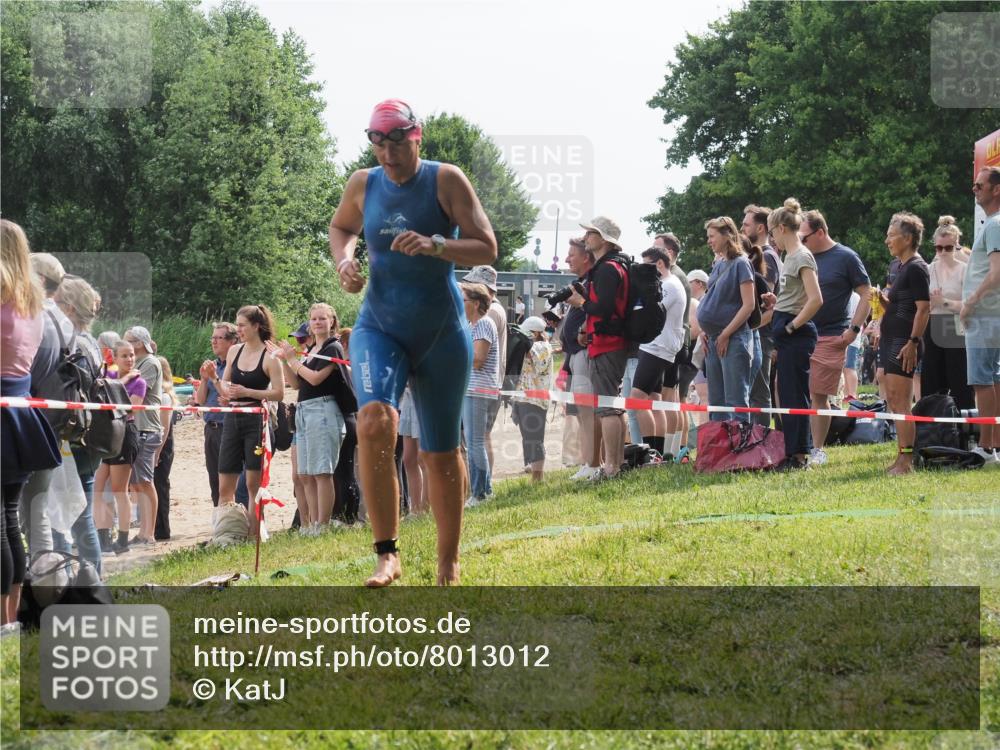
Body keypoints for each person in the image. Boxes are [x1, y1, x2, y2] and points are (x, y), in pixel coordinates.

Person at [330, 99, 497, 586]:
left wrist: (437, 244)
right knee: (375, 421)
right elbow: (341, 227)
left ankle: (448, 561)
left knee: (440, 453)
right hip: (379, 325)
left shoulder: (445, 179)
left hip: (441, 332)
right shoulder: (364, 183)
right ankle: (387, 553)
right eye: (377, 143)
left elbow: (486, 245)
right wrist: (344, 261)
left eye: (396, 142)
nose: (387, 153)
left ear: (415, 136)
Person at [1, 219, 61, 626]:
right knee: (9, 517)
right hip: (20, 412)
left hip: (5, 409)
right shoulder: (33, 304)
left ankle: (3, 620)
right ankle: (10, 617)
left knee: (3, 521)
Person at [271, 303, 353, 534]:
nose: (317, 323)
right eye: (314, 319)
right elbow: (297, 383)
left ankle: (322, 524)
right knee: (305, 473)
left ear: (332, 322)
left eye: (322, 319)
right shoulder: (311, 350)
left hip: (324, 410)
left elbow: (316, 379)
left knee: (322, 472)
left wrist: (293, 360)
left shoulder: (332, 347)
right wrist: (285, 361)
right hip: (304, 410)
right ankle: (311, 523)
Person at [798, 210, 872, 464]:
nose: (801, 242)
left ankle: (818, 449)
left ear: (820, 232)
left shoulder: (846, 257)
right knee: (796, 394)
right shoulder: (801, 256)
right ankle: (797, 446)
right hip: (800, 335)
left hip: (831, 336)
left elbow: (866, 293)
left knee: (819, 394)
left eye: (804, 237)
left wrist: (853, 331)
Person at [213, 305, 284, 541]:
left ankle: (255, 535)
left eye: (242, 325)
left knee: (254, 485)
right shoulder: (234, 351)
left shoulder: (270, 355)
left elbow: (279, 393)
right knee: (225, 484)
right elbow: (225, 385)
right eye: (237, 324)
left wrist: (248, 392)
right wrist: (214, 381)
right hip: (232, 418)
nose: (239, 329)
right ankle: (226, 535)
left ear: (256, 326)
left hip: (256, 420)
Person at [566, 216, 630, 480]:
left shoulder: (607, 269)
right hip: (608, 341)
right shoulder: (614, 266)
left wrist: (580, 302)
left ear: (603, 239)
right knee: (611, 405)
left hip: (608, 343)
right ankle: (616, 464)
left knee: (606, 407)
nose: (586, 237)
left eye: (591, 233)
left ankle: (611, 467)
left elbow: (603, 309)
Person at [51, 276, 106, 572]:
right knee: (80, 514)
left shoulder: (71, 344)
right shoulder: (90, 343)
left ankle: (70, 582)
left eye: (56, 302)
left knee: (66, 516)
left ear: (69, 308)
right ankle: (90, 581)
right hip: (85, 436)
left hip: (70, 440)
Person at [769, 199, 823, 469]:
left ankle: (800, 455)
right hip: (785, 328)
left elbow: (815, 299)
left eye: (772, 232)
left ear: (781, 229)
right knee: (786, 394)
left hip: (796, 332)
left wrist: (791, 326)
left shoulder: (802, 255)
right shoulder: (787, 257)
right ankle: (792, 451)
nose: (772, 238)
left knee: (795, 395)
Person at [881, 212, 931, 475]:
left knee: (901, 401)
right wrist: (881, 301)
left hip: (904, 343)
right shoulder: (900, 267)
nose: (887, 240)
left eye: (891, 235)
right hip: (892, 340)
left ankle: (907, 461)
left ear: (908, 238)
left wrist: (913, 342)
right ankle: (901, 456)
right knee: (893, 399)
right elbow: (902, 306)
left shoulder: (917, 267)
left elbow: (923, 309)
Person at [696, 217, 756, 422]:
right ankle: (721, 451)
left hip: (733, 338)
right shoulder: (720, 263)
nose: (709, 241)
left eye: (712, 236)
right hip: (714, 339)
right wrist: (706, 331)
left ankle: (741, 450)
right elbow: (714, 298)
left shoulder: (741, 263)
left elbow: (749, 305)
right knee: (717, 402)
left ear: (726, 235)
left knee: (736, 400)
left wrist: (726, 333)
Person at [628, 246, 686, 457]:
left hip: (658, 348)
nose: (643, 271)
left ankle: (650, 453)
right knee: (654, 399)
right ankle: (656, 453)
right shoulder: (665, 284)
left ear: (659, 264)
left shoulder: (669, 285)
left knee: (636, 399)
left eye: (647, 266)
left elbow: (650, 311)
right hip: (655, 346)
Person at [961, 166, 1000, 464]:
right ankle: (994, 445)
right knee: (992, 379)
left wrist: (971, 302)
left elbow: (997, 273)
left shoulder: (996, 224)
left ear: (995, 189)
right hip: (990, 315)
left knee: (981, 380)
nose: (974, 189)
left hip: (986, 315)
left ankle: (988, 447)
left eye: (979, 185)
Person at [93, 340, 144, 554]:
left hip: (125, 433)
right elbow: (101, 395)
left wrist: (121, 382)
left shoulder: (139, 382)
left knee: (119, 490)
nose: (129, 359)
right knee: (97, 486)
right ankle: (103, 537)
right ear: (114, 357)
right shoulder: (111, 376)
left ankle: (123, 540)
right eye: (124, 355)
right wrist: (122, 380)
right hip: (107, 434)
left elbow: (127, 408)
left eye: (132, 355)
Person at [194, 323, 249, 509]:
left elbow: (228, 395)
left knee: (232, 479)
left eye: (219, 338)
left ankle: (236, 522)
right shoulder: (213, 365)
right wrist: (203, 379)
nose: (214, 341)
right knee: (214, 481)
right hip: (211, 428)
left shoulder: (239, 365)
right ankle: (220, 523)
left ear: (233, 341)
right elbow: (200, 401)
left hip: (230, 428)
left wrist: (215, 379)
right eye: (213, 337)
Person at [561, 237, 601, 480]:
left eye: (571, 254)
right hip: (576, 355)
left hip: (585, 354)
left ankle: (593, 464)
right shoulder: (583, 282)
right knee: (584, 412)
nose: (567, 259)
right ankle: (589, 462)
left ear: (586, 257)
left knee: (589, 411)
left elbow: (596, 311)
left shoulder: (592, 283)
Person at [923, 216, 973, 410]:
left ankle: (965, 430)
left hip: (956, 326)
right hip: (932, 325)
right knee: (931, 379)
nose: (943, 252)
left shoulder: (965, 271)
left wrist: (943, 301)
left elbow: (970, 305)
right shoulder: (927, 270)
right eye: (939, 248)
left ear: (956, 245)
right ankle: (931, 428)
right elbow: (921, 304)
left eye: (948, 247)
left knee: (959, 380)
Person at [122, 325, 164, 545]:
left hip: (147, 429)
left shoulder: (149, 363)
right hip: (139, 429)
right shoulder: (138, 364)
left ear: (138, 343)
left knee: (145, 482)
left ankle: (148, 533)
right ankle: (144, 532)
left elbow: (136, 394)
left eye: (128, 340)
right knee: (138, 484)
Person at [742, 205, 783, 427]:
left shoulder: (768, 256)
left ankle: (762, 442)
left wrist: (749, 329)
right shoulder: (753, 256)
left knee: (759, 392)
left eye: (746, 224)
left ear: (760, 227)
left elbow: (766, 304)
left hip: (762, 336)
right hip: (753, 334)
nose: (742, 228)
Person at [462, 265, 507, 471]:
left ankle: (482, 486)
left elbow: (480, 356)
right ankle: (482, 484)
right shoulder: (492, 313)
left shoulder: (490, 315)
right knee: (479, 438)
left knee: (479, 439)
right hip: (486, 383)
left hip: (483, 385)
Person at [460, 282, 499, 505]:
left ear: (475, 303)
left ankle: (479, 493)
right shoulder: (471, 325)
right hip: (473, 389)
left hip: (478, 389)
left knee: (474, 442)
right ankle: (484, 490)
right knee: (475, 441)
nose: (460, 304)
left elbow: (478, 359)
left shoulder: (483, 324)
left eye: (463, 300)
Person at [512, 316, 553, 481]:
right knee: (527, 436)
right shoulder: (529, 345)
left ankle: (538, 478)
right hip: (523, 396)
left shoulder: (544, 347)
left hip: (535, 399)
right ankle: (531, 467)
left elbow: (538, 361)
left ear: (536, 333)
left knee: (535, 438)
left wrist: (526, 341)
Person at [154, 355, 179, 540]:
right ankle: (158, 527)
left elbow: (164, 427)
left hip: (163, 443)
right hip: (161, 442)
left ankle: (162, 529)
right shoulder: (162, 395)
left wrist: (158, 452)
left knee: (160, 485)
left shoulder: (164, 397)